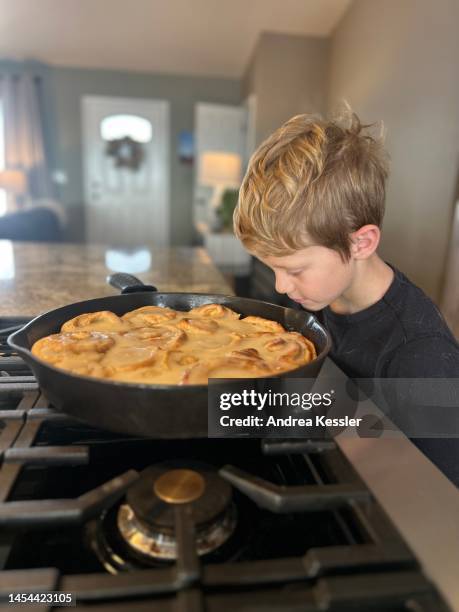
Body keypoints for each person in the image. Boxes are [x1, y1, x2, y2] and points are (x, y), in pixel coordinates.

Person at [233, 109, 459, 485]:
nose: (280, 287)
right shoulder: (315, 299)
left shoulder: (421, 355)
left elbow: (445, 488)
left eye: (294, 269)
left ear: (361, 243)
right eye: (272, 268)